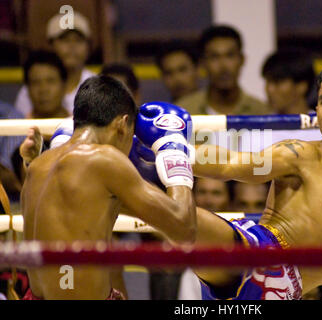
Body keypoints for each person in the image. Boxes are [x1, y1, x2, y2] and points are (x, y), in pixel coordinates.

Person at [191, 60, 322, 299]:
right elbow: (230, 164)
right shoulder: (300, 155)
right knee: (183, 218)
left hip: (289, 293)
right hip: (259, 260)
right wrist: (176, 151)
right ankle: (147, 163)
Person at [21, 76, 196, 300]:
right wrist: (174, 154)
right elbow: (184, 228)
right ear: (122, 125)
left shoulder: (37, 166)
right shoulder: (105, 160)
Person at [15, 12, 95, 116]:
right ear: (50, 45)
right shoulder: (27, 92)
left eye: (78, 40)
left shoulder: (98, 87)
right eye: (64, 39)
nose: (72, 46)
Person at [176, 25, 268, 115]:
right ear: (203, 63)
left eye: (230, 55)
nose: (223, 66)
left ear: (242, 59)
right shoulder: (185, 112)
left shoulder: (261, 113)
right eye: (214, 57)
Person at [261, 49, 316, 114]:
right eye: (268, 82)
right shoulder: (262, 122)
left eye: (277, 82)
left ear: (302, 86)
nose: (269, 89)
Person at [24, 50, 69, 119]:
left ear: (64, 85)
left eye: (51, 81)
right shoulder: (15, 128)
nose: (43, 89)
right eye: (35, 82)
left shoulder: (81, 127)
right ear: (27, 88)